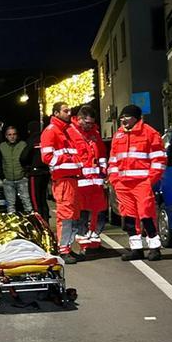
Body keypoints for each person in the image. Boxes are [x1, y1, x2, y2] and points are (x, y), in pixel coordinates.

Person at [108, 104, 166, 261]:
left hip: (142, 183)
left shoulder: (149, 133)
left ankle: (154, 247)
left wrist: (149, 180)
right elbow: (113, 160)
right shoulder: (118, 135)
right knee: (129, 217)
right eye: (122, 117)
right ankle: (136, 249)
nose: (123, 120)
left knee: (146, 214)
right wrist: (115, 180)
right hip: (123, 184)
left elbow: (159, 160)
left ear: (136, 118)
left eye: (127, 117)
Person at [40, 102, 84, 263]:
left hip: (72, 179)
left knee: (73, 215)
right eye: (65, 111)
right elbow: (47, 157)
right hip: (63, 180)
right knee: (66, 216)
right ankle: (63, 249)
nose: (69, 113)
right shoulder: (51, 131)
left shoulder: (67, 131)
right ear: (56, 113)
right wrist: (68, 159)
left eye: (69, 110)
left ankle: (68, 247)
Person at [69, 105, 108, 256]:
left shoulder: (95, 134)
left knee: (99, 211)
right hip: (80, 181)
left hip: (95, 182)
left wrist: (103, 170)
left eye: (92, 123)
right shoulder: (70, 133)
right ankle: (83, 244)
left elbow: (102, 154)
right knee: (82, 214)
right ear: (79, 119)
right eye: (87, 123)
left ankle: (94, 242)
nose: (89, 126)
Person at [0, 125, 33, 214]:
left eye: (14, 134)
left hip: (22, 179)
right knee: (10, 205)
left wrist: (26, 175)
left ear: (17, 135)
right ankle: (13, 222)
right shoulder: (2, 147)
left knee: (27, 203)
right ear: (6, 136)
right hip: (8, 180)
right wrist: (3, 177)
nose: (12, 137)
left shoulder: (23, 145)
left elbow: (29, 160)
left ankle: (30, 220)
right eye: (9, 135)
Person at [20, 119, 50, 223]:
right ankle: (46, 223)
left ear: (30, 130)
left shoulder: (31, 141)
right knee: (43, 199)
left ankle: (39, 224)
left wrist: (26, 167)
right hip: (46, 172)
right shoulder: (45, 139)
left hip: (35, 173)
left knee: (35, 201)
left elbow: (23, 157)